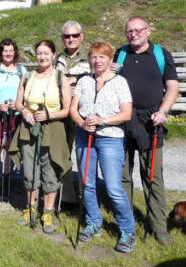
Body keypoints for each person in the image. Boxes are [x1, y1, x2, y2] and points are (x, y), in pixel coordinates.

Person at [112, 16, 179, 245]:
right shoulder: (120, 54)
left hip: (151, 122)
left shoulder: (161, 55)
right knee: (122, 176)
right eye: (129, 31)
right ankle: (126, 223)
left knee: (153, 178)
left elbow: (172, 87)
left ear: (148, 31)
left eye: (138, 30)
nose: (134, 34)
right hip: (122, 121)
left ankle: (159, 228)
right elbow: (110, 84)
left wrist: (163, 111)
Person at [70, 41, 136, 253]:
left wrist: (102, 121)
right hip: (84, 137)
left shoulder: (120, 82)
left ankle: (127, 231)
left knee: (113, 187)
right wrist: (82, 123)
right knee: (87, 183)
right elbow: (73, 109)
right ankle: (93, 223)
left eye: (102, 57)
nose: (97, 61)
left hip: (110, 138)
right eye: (94, 57)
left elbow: (126, 114)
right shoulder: (84, 81)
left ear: (110, 60)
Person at [16, 40, 71, 234]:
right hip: (29, 128)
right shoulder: (27, 76)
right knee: (30, 171)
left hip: (53, 129)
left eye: (46, 53)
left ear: (53, 54)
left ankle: (47, 212)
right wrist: (24, 112)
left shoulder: (60, 78)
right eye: (39, 53)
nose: (42, 57)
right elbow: (18, 102)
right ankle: (30, 209)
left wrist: (49, 115)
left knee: (51, 171)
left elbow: (67, 110)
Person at [54, 20, 91, 205]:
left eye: (74, 35)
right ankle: (67, 196)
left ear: (81, 36)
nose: (71, 39)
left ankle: (87, 199)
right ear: (62, 38)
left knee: (84, 156)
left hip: (83, 114)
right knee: (63, 154)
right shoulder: (57, 59)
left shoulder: (92, 57)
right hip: (62, 114)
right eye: (67, 36)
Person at [0, 38, 27, 197]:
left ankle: (7, 176)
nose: (8, 53)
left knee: (11, 147)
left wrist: (17, 104)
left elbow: (25, 92)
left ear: (15, 52)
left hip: (14, 113)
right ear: (0, 52)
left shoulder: (21, 70)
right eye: (5, 51)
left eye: (11, 50)